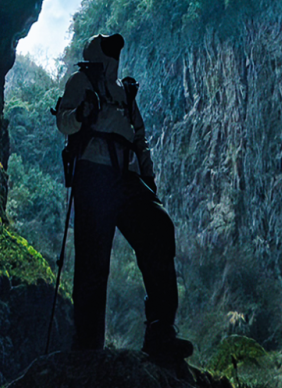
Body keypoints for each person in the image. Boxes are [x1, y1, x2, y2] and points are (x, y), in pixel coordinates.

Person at [55, 31, 193, 361]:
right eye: (108, 46)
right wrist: (80, 115)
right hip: (93, 176)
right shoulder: (80, 80)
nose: (114, 50)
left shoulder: (125, 93)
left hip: (126, 177)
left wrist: (148, 178)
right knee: (93, 261)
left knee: (159, 229)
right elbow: (63, 120)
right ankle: (88, 345)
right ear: (97, 52)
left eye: (115, 47)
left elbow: (140, 138)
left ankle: (161, 331)